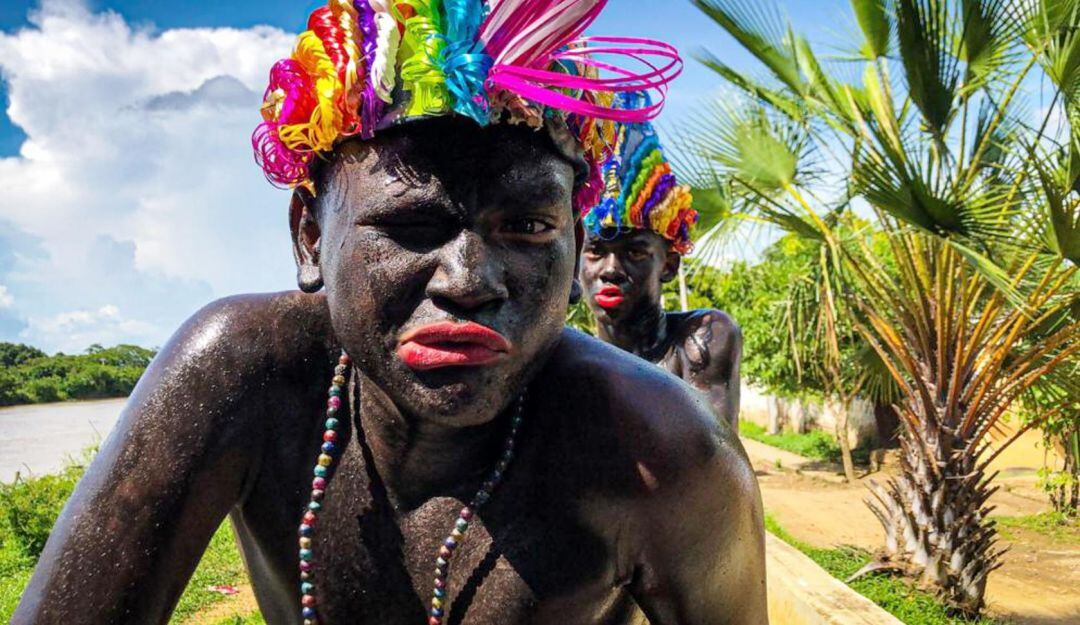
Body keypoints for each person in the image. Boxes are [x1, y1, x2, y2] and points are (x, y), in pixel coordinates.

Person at [14, 2, 766, 624]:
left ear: (572, 246)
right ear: (310, 238)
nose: (469, 281)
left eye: (528, 228)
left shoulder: (663, 452)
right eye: (412, 225)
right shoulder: (236, 374)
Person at [579, 117, 742, 430]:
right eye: (596, 252)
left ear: (668, 265)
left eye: (634, 253)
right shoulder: (562, 359)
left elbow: (708, 450)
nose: (611, 270)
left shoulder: (699, 339)